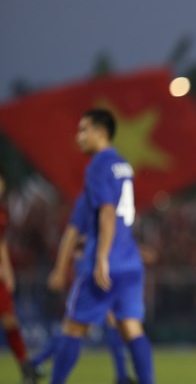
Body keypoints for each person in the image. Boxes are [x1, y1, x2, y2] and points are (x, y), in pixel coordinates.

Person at [49, 109, 154, 384]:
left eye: (83, 130)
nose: (79, 136)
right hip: (130, 262)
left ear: (100, 132)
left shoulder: (98, 165)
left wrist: (101, 258)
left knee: (73, 327)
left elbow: (107, 213)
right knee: (132, 328)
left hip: (108, 263)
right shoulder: (123, 165)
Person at [29, 193, 136, 384]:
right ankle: (37, 363)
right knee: (75, 328)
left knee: (107, 323)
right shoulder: (84, 214)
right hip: (89, 275)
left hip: (104, 272)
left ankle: (121, 375)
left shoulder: (99, 210)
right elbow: (76, 244)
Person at [0, 168, 41, 384]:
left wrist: (7, 270)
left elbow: (1, 243)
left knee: (10, 322)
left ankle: (25, 367)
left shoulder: (2, 212)